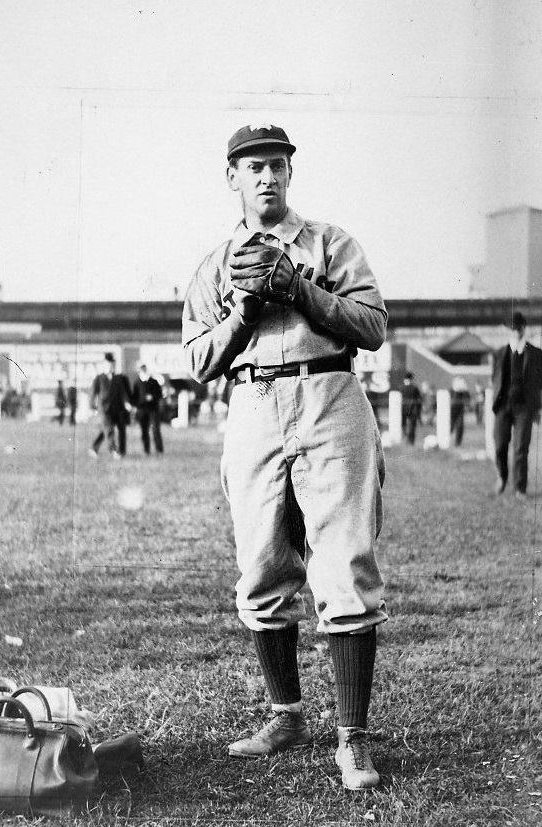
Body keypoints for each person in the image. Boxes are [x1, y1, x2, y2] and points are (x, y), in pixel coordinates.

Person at [182, 124, 387, 791]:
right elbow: (197, 362)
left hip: (328, 389)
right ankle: (284, 714)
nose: (266, 176)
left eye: (276, 165)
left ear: (289, 172)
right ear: (231, 178)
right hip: (253, 402)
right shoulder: (215, 263)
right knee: (263, 561)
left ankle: (351, 737)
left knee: (344, 558)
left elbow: (373, 328)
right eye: (252, 167)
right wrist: (242, 312)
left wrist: (300, 291)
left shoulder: (330, 243)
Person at [492, 311, 542, 495]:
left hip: (524, 408)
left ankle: (520, 488)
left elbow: (539, 384)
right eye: (511, 328)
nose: (514, 331)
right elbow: (495, 379)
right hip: (503, 406)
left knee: (521, 447)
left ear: (523, 328)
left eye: (517, 328)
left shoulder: (536, 354)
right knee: (499, 445)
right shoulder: (499, 354)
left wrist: (537, 408)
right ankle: (502, 477)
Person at [89, 353, 132, 458]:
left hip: (116, 408)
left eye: (113, 365)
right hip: (103, 409)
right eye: (109, 365)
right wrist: (92, 407)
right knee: (109, 429)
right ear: (104, 365)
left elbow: (123, 393)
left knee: (105, 430)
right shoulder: (99, 378)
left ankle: (94, 448)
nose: (111, 367)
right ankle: (114, 451)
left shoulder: (118, 378)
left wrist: (127, 403)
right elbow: (93, 394)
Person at [132, 364, 164, 455]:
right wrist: (137, 405)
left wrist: (153, 397)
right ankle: (146, 450)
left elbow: (159, 394)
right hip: (142, 410)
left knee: (155, 429)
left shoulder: (154, 382)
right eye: (141, 372)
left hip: (153, 409)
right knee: (144, 430)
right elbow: (134, 397)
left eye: (144, 371)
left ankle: (159, 450)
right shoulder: (137, 383)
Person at [401, 371, 422, 445]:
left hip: (403, 409)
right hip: (413, 409)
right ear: (411, 379)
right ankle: (411, 441)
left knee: (403, 425)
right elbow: (419, 400)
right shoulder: (415, 388)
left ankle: (404, 439)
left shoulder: (401, 388)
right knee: (412, 426)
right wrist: (419, 411)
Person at [450, 377, 470, 447]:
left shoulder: (465, 392)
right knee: (450, 426)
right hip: (452, 410)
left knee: (460, 426)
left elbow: (467, 401)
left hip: (460, 411)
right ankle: (445, 440)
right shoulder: (451, 391)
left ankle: (457, 443)